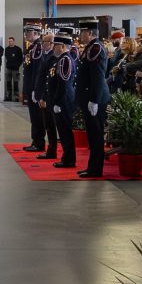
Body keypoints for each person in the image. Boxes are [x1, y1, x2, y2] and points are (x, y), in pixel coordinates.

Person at [76, 34, 110, 178]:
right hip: (89, 95)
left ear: (90, 33)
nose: (80, 35)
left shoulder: (96, 48)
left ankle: (95, 169)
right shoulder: (90, 48)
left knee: (96, 135)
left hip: (94, 96)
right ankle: (92, 167)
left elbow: (98, 76)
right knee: (92, 135)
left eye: (83, 31)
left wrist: (94, 99)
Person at [46, 32, 78, 169]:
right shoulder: (61, 59)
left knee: (65, 131)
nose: (54, 47)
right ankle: (67, 158)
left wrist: (58, 102)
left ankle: (69, 160)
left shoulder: (65, 60)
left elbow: (63, 83)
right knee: (63, 131)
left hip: (64, 101)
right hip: (61, 99)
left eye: (56, 45)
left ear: (63, 46)